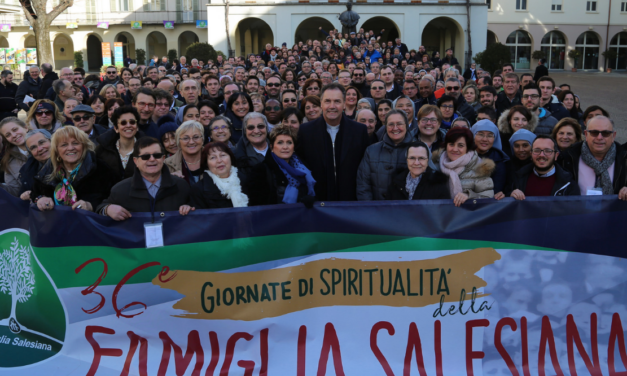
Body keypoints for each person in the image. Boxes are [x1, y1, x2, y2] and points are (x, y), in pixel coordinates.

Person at [296, 83, 370, 201]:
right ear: (321, 103)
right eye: (327, 101)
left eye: (337, 101)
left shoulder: (359, 131)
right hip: (317, 201)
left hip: (351, 200)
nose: (332, 106)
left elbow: (365, 169)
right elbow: (300, 166)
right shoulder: (305, 131)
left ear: (344, 104)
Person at [97, 136, 193, 220]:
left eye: (157, 155)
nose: (152, 159)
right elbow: (100, 209)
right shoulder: (120, 190)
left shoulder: (181, 186)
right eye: (145, 156)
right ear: (136, 161)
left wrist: (189, 208)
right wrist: (107, 209)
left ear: (163, 159)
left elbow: (197, 213)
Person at [31, 126, 116, 212]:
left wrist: (91, 205)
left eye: (75, 143)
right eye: (64, 145)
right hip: (55, 223)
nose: (70, 148)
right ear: (57, 150)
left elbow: (112, 199)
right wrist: (40, 199)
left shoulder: (101, 169)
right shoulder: (48, 169)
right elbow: (35, 193)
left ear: (84, 146)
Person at [557, 116, 627, 199]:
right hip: (576, 211)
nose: (599, 137)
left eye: (605, 133)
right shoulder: (567, 158)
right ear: (586, 134)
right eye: (594, 132)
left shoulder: (624, 158)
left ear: (613, 136)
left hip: (615, 211)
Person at [248, 125, 316, 206]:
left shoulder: (304, 167)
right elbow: (257, 205)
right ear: (271, 147)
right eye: (280, 142)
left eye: (289, 142)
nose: (285, 147)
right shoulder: (261, 170)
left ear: (294, 147)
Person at [357, 109, 416, 200]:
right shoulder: (371, 150)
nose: (395, 128)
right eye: (391, 124)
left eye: (399, 124)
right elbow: (363, 185)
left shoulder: (418, 150)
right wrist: (370, 210)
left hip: (407, 211)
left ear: (406, 126)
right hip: (377, 211)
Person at [432, 127, 495, 207]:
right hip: (442, 216)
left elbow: (488, 199)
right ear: (446, 146)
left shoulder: (479, 168)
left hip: (469, 217)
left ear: (467, 148)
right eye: (451, 144)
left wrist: (469, 196)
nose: (455, 149)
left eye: (460, 145)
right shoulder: (435, 166)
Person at [509, 135, 579, 199]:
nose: (541, 155)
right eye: (537, 150)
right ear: (531, 154)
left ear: (556, 155)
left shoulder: (568, 183)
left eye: (548, 151)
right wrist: (511, 196)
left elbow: (573, 210)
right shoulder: (518, 178)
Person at [190, 141, 249, 209]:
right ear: (206, 164)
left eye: (223, 155)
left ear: (230, 157)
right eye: (213, 157)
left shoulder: (247, 180)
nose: (219, 160)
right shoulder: (198, 190)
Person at [96, 106, 145, 185]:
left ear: (137, 127)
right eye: (123, 123)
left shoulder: (147, 148)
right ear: (116, 128)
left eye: (132, 122)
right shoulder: (102, 150)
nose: (128, 125)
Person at [471, 119, 509, 199]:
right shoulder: (464, 156)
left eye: (490, 135)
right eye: (480, 134)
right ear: (473, 136)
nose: (485, 139)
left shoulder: (500, 160)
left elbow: (497, 190)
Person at [165, 120, 204, 185]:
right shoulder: (167, 164)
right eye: (186, 138)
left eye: (196, 137)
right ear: (179, 142)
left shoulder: (214, 159)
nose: (191, 142)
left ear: (202, 140)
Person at [18, 129, 51, 200]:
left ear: (52, 141)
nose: (39, 149)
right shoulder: (27, 170)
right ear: (31, 153)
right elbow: (21, 196)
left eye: (42, 142)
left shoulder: (68, 163)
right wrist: (24, 195)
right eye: (33, 147)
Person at [0, 117, 29, 196]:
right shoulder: (9, 161)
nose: (13, 135)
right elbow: (15, 191)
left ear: (25, 127)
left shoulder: (45, 145)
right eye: (8, 135)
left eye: (15, 129)